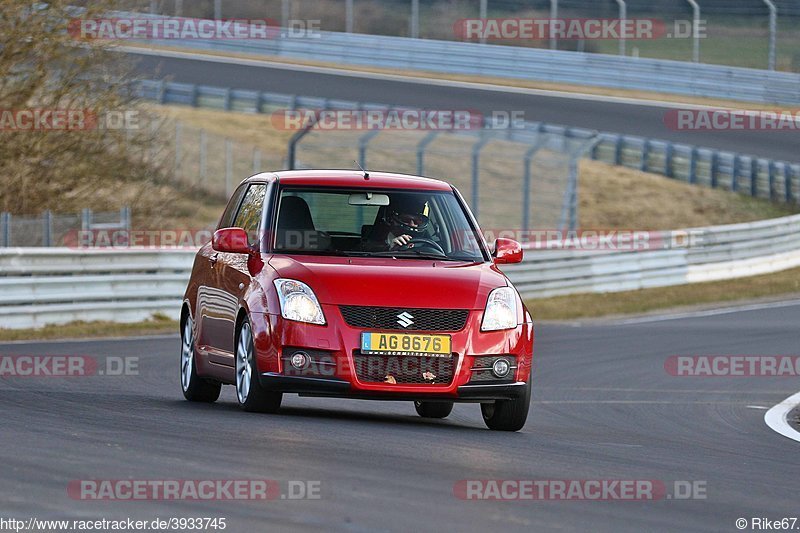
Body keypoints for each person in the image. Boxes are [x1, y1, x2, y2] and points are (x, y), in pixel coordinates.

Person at [365, 194, 431, 250]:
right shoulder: (373, 243)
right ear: (391, 220)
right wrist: (389, 249)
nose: (412, 225)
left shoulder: (427, 242)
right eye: (405, 220)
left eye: (417, 221)